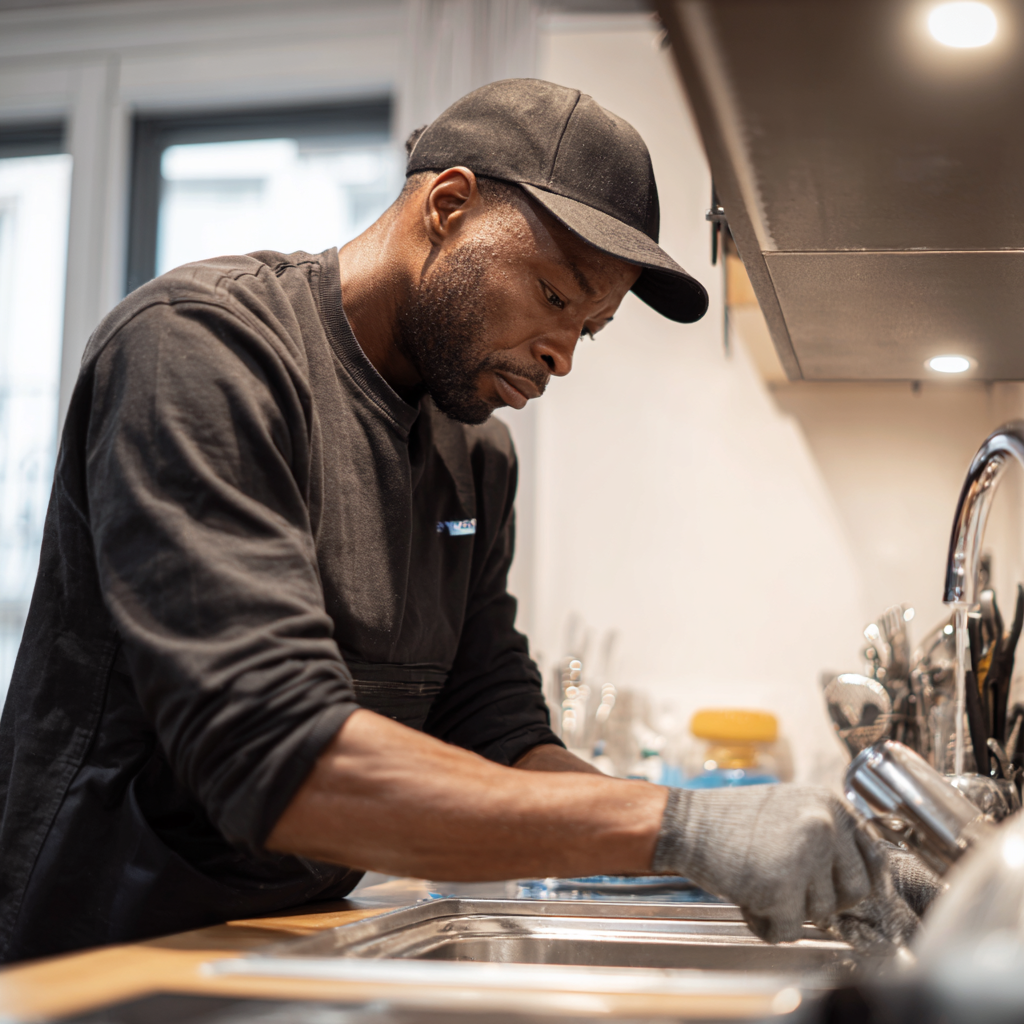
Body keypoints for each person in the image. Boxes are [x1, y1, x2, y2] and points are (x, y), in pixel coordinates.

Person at [0, 79, 925, 964]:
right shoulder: (205, 353)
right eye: (557, 297)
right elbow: (273, 758)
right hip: (102, 963)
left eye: (588, 330)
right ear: (448, 206)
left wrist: (745, 848)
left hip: (284, 946)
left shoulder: (474, 456)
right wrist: (675, 827)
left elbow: (498, 731)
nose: (562, 356)